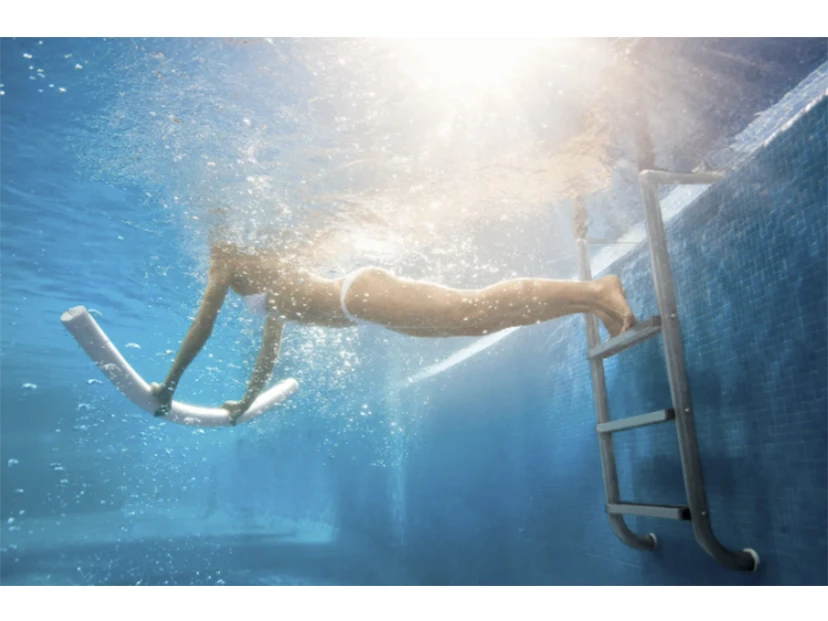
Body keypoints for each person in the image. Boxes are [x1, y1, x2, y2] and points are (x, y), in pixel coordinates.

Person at [150, 241, 637, 423]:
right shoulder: (261, 277)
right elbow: (269, 348)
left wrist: (169, 385)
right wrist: (248, 398)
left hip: (359, 295)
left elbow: (203, 323)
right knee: (478, 322)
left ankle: (597, 289)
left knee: (472, 306)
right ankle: (587, 304)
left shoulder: (226, 255)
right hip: (365, 310)